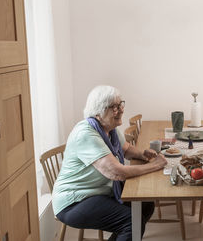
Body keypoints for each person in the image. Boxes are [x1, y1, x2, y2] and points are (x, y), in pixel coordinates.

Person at [52, 85, 167, 241]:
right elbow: (117, 173)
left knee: (145, 204)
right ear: (98, 112)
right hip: (75, 201)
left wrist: (142, 153)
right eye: (114, 107)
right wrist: (154, 165)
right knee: (131, 222)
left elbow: (125, 148)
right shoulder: (86, 134)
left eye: (120, 104)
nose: (120, 110)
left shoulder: (108, 129)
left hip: (99, 192)